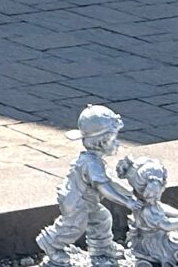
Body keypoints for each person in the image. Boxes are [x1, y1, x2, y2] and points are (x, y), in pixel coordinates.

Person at [38, 104, 139, 266]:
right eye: (114, 139)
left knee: (102, 219)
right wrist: (127, 202)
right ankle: (51, 244)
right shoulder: (92, 165)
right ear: (102, 142)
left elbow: (110, 182)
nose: (117, 143)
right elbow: (105, 188)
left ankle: (101, 246)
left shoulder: (93, 160)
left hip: (87, 201)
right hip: (77, 202)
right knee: (73, 227)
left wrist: (129, 193)